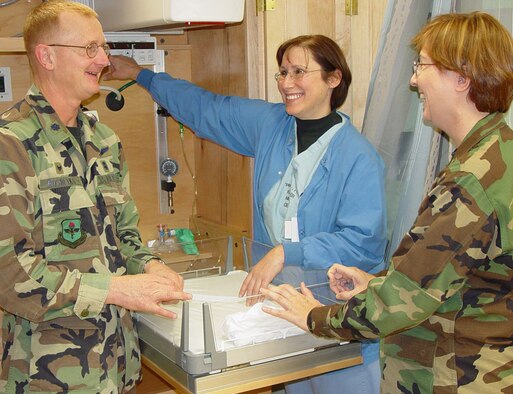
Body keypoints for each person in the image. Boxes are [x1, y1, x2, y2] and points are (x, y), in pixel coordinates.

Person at [104, 35, 387, 393]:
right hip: (280, 321)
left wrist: (285, 252)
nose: (286, 83)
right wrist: (143, 76)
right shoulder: (272, 126)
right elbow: (207, 108)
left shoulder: (358, 157)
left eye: (299, 72)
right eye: (282, 72)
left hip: (337, 325)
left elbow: (364, 245)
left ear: (334, 78)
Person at [261, 11, 513, 393]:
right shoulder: (499, 152)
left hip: (458, 375)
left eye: (422, 66)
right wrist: (376, 282)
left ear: (461, 77)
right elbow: (453, 274)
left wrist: (314, 317)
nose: (414, 80)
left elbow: (404, 302)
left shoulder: (471, 181)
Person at [0, 1, 191, 393]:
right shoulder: (11, 144)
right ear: (46, 56)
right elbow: (10, 274)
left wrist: (151, 266)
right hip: (47, 377)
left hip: (116, 366)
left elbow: (125, 237)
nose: (104, 60)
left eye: (103, 48)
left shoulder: (104, 141)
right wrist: (119, 289)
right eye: (90, 49)